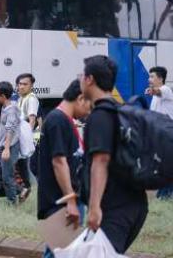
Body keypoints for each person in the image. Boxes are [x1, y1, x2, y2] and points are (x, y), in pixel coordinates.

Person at [80, 55, 148, 254]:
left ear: (90, 79)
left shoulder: (100, 116)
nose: (80, 80)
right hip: (135, 204)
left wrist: (94, 208)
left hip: (114, 209)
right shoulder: (121, 111)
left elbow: (100, 161)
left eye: (82, 76)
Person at [37, 80, 91, 258]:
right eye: (89, 105)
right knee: (59, 253)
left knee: (61, 252)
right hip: (60, 203)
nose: (89, 111)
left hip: (64, 202)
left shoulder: (63, 120)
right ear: (81, 98)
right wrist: (70, 201)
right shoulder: (58, 120)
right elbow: (59, 161)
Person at [0, 81, 22, 205]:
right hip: (2, 147)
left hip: (9, 147)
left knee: (7, 176)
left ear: (3, 96)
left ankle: (12, 202)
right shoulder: (5, 107)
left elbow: (10, 129)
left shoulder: (11, 110)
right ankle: (20, 190)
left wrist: (7, 148)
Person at [146, 66, 173, 199]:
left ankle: (165, 195)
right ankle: (164, 194)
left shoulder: (166, 90)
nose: (149, 79)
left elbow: (158, 91)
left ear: (161, 78)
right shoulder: (155, 98)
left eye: (152, 76)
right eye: (149, 76)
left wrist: (152, 91)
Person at [15, 73, 39, 200]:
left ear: (31, 86)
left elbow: (32, 120)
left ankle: (28, 189)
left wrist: (26, 139)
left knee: (27, 167)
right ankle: (26, 189)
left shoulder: (31, 99)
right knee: (23, 167)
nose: (22, 86)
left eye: (25, 84)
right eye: (20, 84)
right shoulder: (20, 98)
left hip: (27, 139)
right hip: (21, 137)